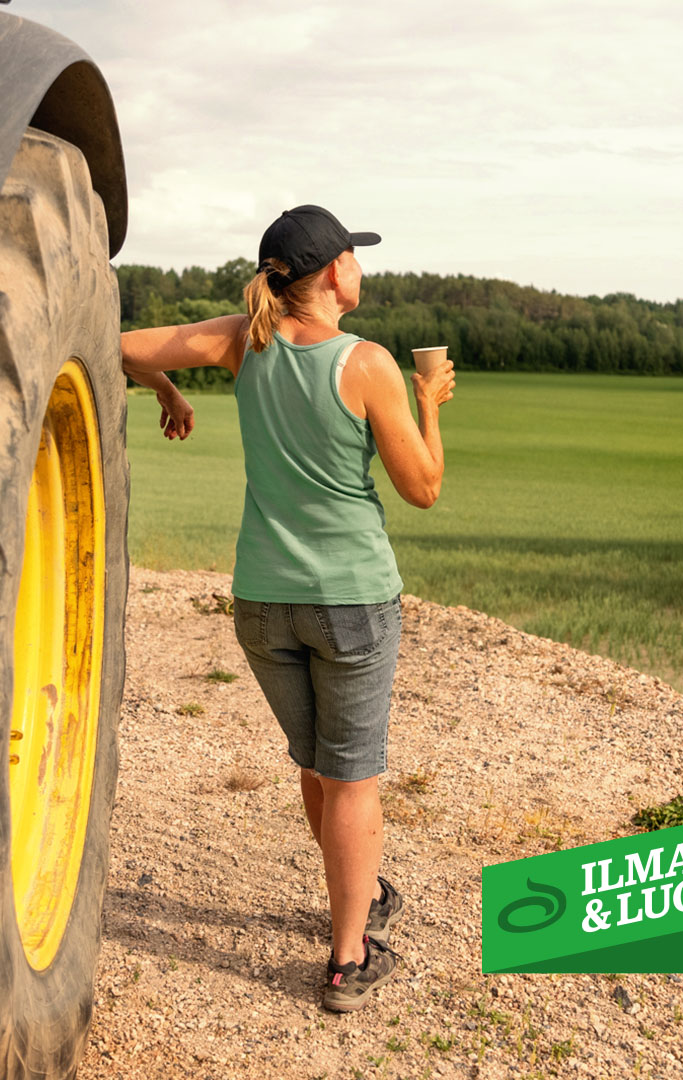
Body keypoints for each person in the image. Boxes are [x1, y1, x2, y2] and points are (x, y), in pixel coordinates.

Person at [121, 205, 455, 1011]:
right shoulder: (368, 364)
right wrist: (430, 400)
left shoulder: (245, 337)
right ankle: (348, 958)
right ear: (335, 272)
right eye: (354, 256)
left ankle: (361, 892)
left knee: (317, 766)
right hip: (350, 603)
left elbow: (120, 346)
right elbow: (424, 489)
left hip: (262, 602)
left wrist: (165, 386)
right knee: (351, 779)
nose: (360, 267)